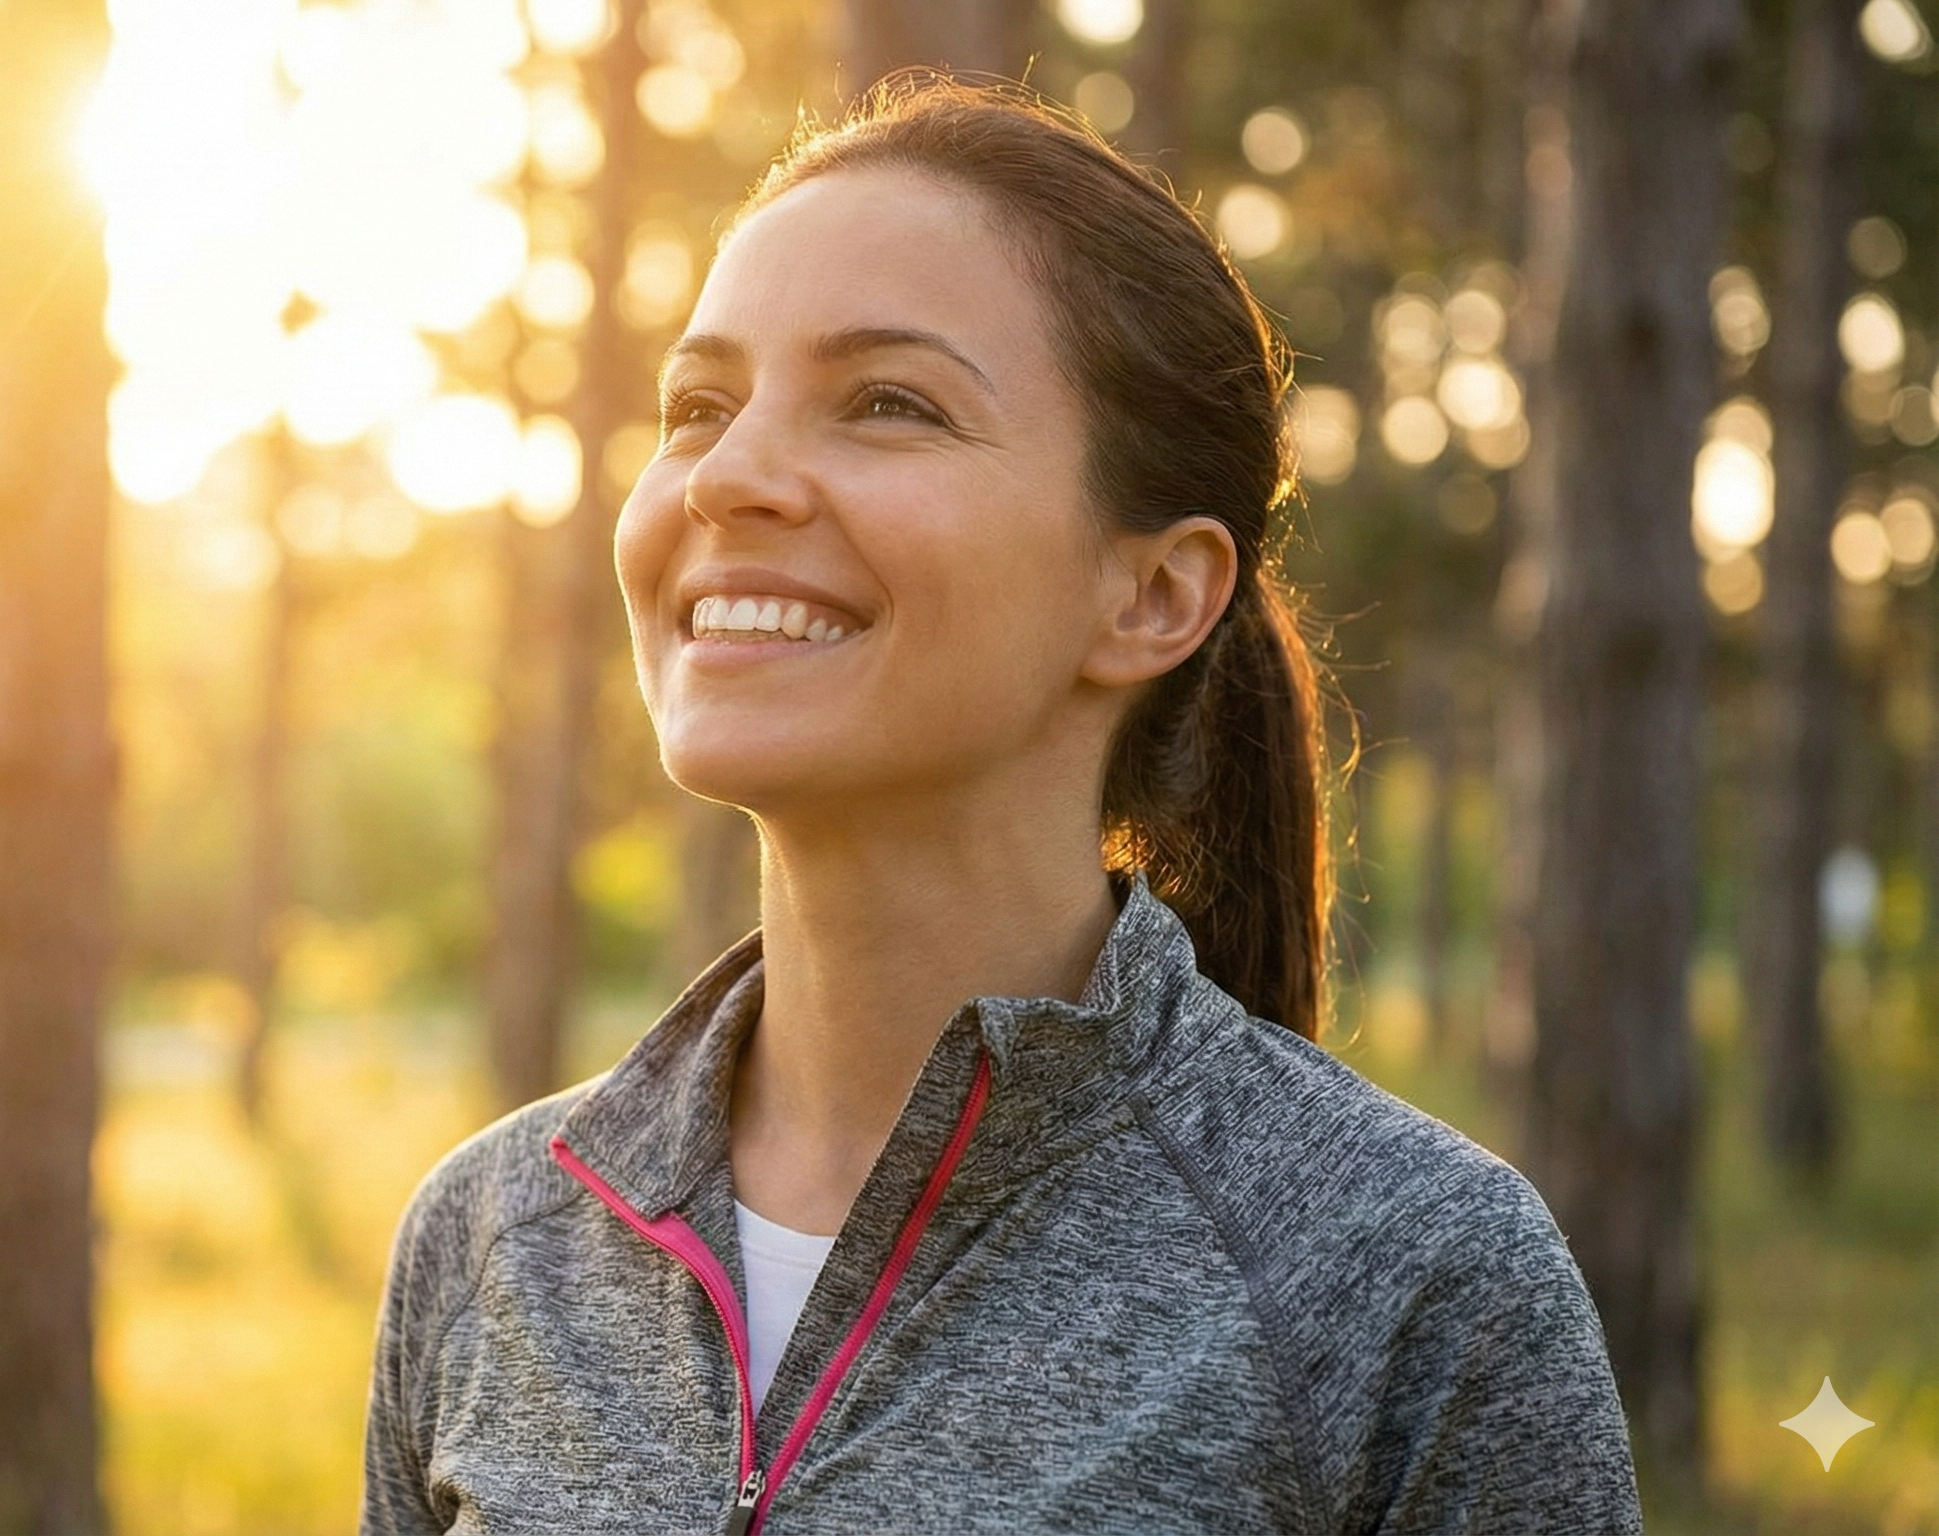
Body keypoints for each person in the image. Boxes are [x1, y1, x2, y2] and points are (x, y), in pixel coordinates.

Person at [361, 73, 1640, 1535]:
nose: (730, 477)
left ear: (1153, 594)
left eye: (890, 404)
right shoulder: (490, 1236)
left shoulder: (1413, 1271)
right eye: (699, 404)